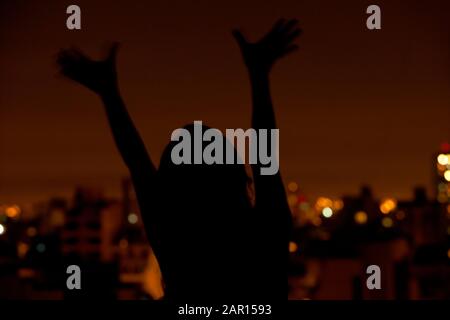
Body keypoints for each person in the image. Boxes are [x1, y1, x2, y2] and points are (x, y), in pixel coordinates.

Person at [57, 18, 300, 301]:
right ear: (234, 173)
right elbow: (265, 154)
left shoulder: (174, 240)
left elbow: (136, 160)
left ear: (170, 186)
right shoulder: (264, 236)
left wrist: (109, 93)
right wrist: (259, 74)